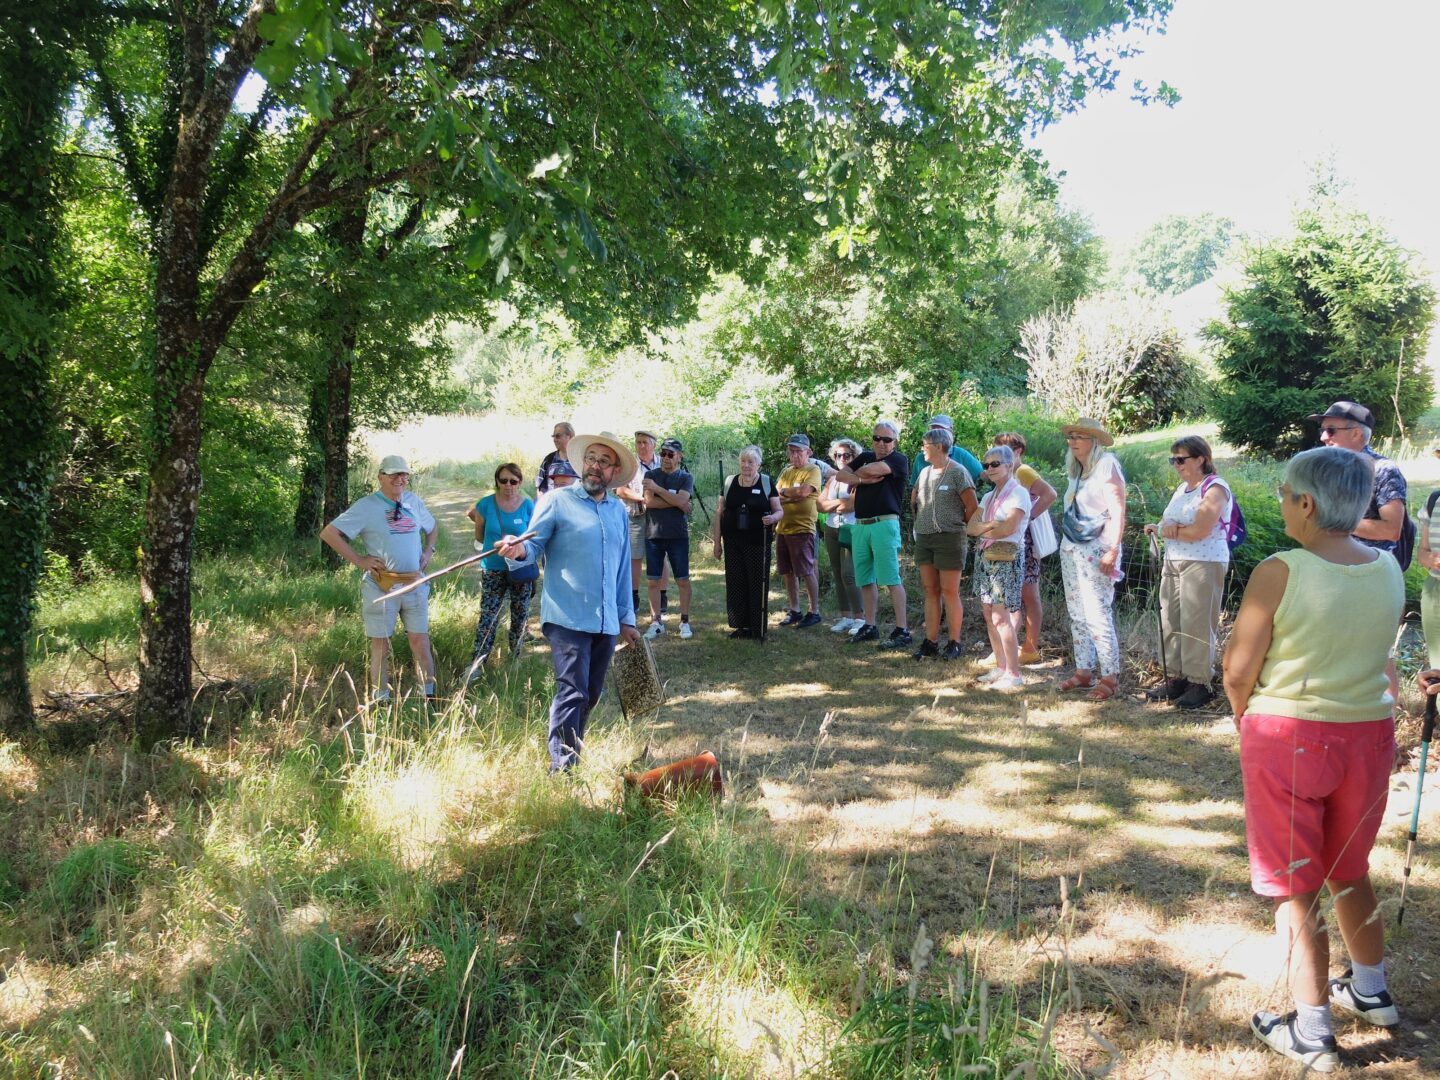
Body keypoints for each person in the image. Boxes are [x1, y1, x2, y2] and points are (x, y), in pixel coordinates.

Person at [1222, 447, 1404, 1073]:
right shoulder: (1386, 568)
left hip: (1290, 735)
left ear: (1305, 502)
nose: (1281, 506)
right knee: (1350, 867)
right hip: (1368, 732)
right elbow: (1382, 658)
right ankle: (1372, 988)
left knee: (1296, 883)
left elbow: (1238, 668)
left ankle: (1312, 1027)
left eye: (1283, 496)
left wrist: (1245, 716)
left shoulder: (1280, 569)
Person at [496, 432, 641, 772]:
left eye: (604, 462)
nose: (594, 466)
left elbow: (621, 570)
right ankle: (562, 769)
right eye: (590, 459)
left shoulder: (617, 511)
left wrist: (627, 619)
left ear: (614, 471)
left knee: (590, 694)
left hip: (604, 619)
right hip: (567, 615)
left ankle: (571, 752)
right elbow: (533, 546)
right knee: (573, 692)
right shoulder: (557, 501)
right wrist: (518, 550)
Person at [319, 455, 438, 703]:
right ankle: (380, 698)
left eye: (404, 474)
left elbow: (432, 528)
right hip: (381, 586)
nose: (400, 479)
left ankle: (429, 695)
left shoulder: (413, 502)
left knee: (420, 640)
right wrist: (360, 560)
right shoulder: (367, 506)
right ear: (381, 476)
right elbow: (330, 533)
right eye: (394, 474)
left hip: (414, 584)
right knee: (381, 644)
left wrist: (428, 551)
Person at [1143, 436, 1232, 709]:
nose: (1176, 465)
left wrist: (1172, 530)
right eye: (1173, 460)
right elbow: (1167, 521)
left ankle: (1200, 682)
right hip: (1174, 560)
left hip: (1204, 563)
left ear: (1201, 459)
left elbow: (1201, 530)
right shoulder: (1182, 489)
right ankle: (1176, 676)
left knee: (1197, 622)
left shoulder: (1215, 489)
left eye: (1181, 459)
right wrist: (1160, 527)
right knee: (1170, 619)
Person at [1055, 417, 1127, 702]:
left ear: (1093, 441)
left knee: (1097, 612)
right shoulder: (1076, 471)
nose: (1073, 441)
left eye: (1080, 436)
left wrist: (1113, 549)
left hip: (1098, 548)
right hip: (1071, 547)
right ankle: (1084, 669)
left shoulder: (1106, 464)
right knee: (1077, 612)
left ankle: (1110, 676)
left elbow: (1119, 508)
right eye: (1070, 436)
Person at [836, 419, 911, 648]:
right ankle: (870, 626)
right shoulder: (866, 455)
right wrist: (861, 479)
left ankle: (902, 630)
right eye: (877, 438)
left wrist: (859, 477)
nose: (881, 443)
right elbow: (841, 475)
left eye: (887, 439)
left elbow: (869, 469)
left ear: (895, 441)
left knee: (890, 578)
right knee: (865, 579)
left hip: (884, 524)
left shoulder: (898, 460)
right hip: (861, 524)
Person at [987, 432, 1056, 665]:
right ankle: (1007, 647)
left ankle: (1029, 647)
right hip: (1010, 541)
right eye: (997, 449)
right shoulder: (1006, 475)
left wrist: (1028, 518)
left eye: (1005, 450)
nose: (1000, 455)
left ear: (1018, 452)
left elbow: (1050, 494)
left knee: (1029, 594)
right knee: (1010, 596)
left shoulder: (1023, 472)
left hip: (1025, 542)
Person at [463, 463, 536, 683]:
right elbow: (479, 533)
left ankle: (516, 659)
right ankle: (477, 663)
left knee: (520, 614)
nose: (508, 485)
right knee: (489, 616)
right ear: (497, 481)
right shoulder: (485, 504)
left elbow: (534, 536)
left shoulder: (528, 505)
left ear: (520, 483)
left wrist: (517, 545)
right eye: (503, 480)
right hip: (493, 568)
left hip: (520, 569)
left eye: (513, 481)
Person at [912, 427, 978, 660]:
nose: (922, 450)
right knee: (930, 590)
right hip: (925, 537)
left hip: (950, 537)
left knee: (950, 591)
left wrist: (967, 532)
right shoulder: (924, 473)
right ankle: (930, 642)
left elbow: (972, 506)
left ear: (939, 447)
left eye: (925, 445)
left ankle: (954, 642)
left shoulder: (958, 472)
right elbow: (915, 501)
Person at [967, 445, 1030, 690]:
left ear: (1009, 464)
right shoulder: (988, 496)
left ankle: (1014, 673)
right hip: (985, 556)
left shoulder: (1019, 493)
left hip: (1006, 558)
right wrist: (993, 524)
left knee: (1001, 617)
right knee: (988, 614)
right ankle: (1001, 667)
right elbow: (971, 527)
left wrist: (987, 526)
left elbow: (1009, 529)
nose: (990, 469)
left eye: (995, 464)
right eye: (986, 465)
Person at [1309, 401, 1407, 555]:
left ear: (1356, 433)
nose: (1323, 437)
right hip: (1330, 562)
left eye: (1331, 430)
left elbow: (1391, 530)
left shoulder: (1382, 469)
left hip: (1368, 569)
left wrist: (1332, 521)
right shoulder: (1328, 469)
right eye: (1322, 430)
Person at [712, 445, 782, 640]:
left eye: (751, 462)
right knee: (735, 583)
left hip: (758, 542)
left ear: (758, 464)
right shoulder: (729, 482)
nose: (746, 465)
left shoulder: (766, 482)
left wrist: (773, 519)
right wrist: (717, 542)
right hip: (733, 542)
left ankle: (757, 628)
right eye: (743, 461)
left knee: (757, 584)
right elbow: (720, 512)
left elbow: (779, 510)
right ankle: (740, 626)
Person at [642, 438, 694, 640]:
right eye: (663, 453)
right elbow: (649, 502)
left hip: (677, 536)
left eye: (670, 454)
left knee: (682, 580)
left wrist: (658, 489)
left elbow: (682, 500)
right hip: (653, 535)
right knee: (653, 581)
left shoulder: (685, 477)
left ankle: (684, 621)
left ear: (679, 457)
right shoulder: (650, 474)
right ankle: (656, 622)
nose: (665, 458)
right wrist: (677, 503)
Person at [774, 434, 823, 628]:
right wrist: (790, 496)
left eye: (799, 451)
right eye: (792, 451)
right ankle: (795, 610)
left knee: (807, 570)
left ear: (808, 452)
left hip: (803, 529)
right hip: (783, 528)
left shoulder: (813, 470)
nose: (794, 455)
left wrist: (787, 494)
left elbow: (803, 493)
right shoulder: (786, 472)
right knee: (788, 571)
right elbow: (775, 496)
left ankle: (814, 611)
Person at [617, 430, 666, 618]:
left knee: (661, 557)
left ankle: (662, 597)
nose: (641, 446)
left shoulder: (663, 462)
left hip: (659, 516)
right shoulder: (629, 464)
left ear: (654, 444)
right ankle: (633, 597)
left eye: (645, 442)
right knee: (634, 557)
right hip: (635, 515)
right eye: (638, 442)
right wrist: (642, 499)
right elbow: (620, 490)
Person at [818, 438, 863, 633]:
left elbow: (851, 505)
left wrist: (833, 505)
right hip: (831, 528)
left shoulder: (857, 477)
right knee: (837, 573)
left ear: (854, 457)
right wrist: (838, 505)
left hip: (851, 528)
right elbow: (819, 505)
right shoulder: (832, 479)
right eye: (838, 455)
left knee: (849, 574)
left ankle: (860, 618)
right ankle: (845, 616)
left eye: (847, 455)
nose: (842, 459)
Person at [907, 414, 983, 485]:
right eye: (933, 431)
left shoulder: (960, 454)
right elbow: (915, 488)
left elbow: (982, 475)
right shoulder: (921, 458)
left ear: (951, 432)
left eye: (942, 430)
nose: (937, 434)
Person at [537, 421, 574, 495]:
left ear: (569, 436)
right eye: (553, 437)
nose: (554, 440)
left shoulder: (580, 459)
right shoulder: (548, 460)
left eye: (558, 436)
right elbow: (541, 489)